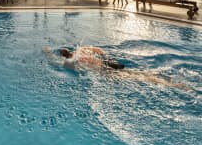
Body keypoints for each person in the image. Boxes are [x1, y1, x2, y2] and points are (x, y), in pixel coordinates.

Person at [42, 45, 190, 90]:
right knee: (136, 73)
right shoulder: (82, 49)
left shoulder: (70, 62)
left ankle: (174, 85)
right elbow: (99, 50)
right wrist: (108, 58)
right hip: (108, 63)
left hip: (104, 71)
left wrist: (47, 52)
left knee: (135, 78)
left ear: (63, 56)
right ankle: (168, 80)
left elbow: (61, 65)